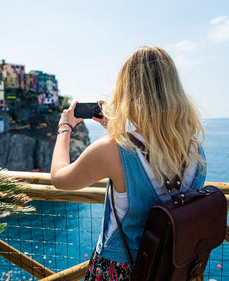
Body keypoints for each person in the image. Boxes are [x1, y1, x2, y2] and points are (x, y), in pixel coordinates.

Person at [50, 46, 206, 281]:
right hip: (171, 269)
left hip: (122, 271)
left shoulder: (112, 149)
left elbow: (60, 178)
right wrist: (116, 131)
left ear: (128, 91)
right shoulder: (196, 150)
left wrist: (65, 127)